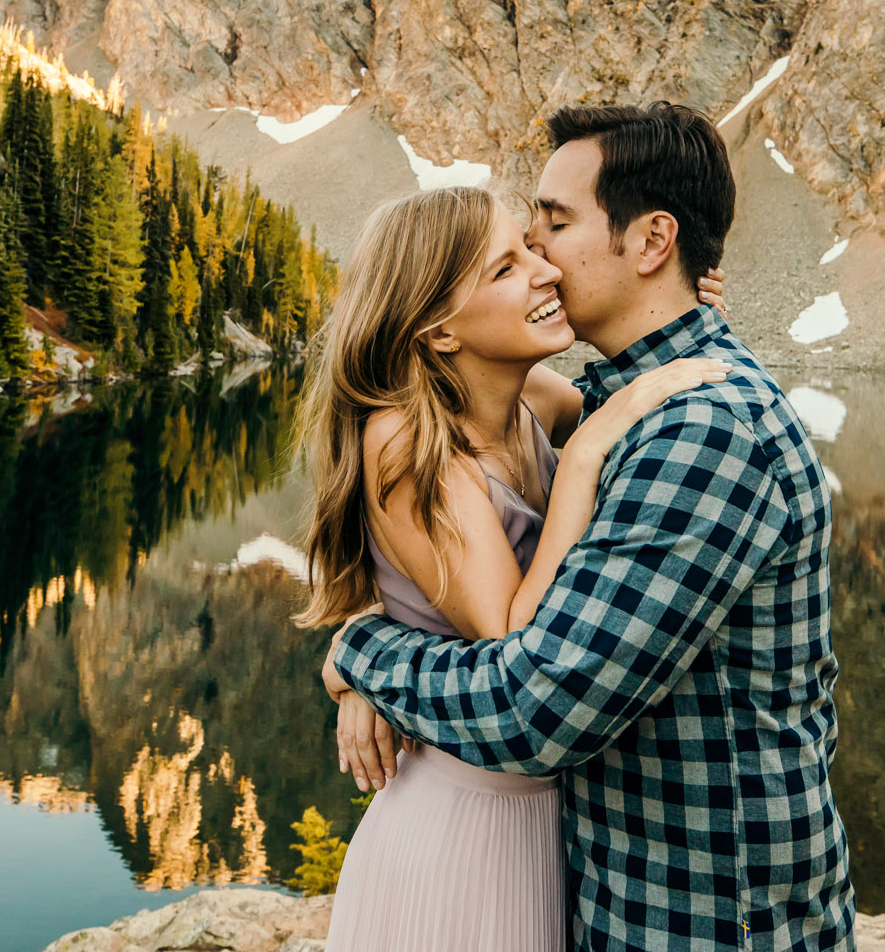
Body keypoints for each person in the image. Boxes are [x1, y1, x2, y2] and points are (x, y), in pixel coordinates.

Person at [323, 102, 855, 952]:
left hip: (709, 923)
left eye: (554, 225)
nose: (541, 258)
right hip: (591, 884)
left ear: (650, 243)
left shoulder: (698, 432)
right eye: (518, 249)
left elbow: (533, 708)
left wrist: (366, 655)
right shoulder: (622, 402)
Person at [297, 182, 729, 952]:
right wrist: (585, 457)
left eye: (532, 247)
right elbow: (508, 634)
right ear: (437, 330)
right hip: (463, 830)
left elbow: (638, 391)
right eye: (505, 268)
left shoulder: (525, 391)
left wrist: (689, 313)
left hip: (546, 816)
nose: (545, 270)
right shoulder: (405, 439)